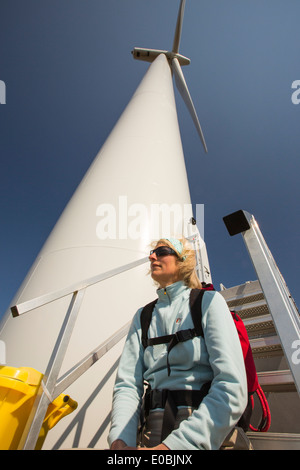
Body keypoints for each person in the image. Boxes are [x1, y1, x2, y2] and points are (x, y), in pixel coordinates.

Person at [108, 237, 247, 450]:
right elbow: (127, 384)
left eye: (162, 251)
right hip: (151, 431)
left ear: (182, 260)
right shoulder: (143, 316)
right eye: (152, 253)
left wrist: (175, 447)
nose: (152, 256)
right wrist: (120, 441)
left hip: (206, 430)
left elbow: (231, 386)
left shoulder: (208, 303)